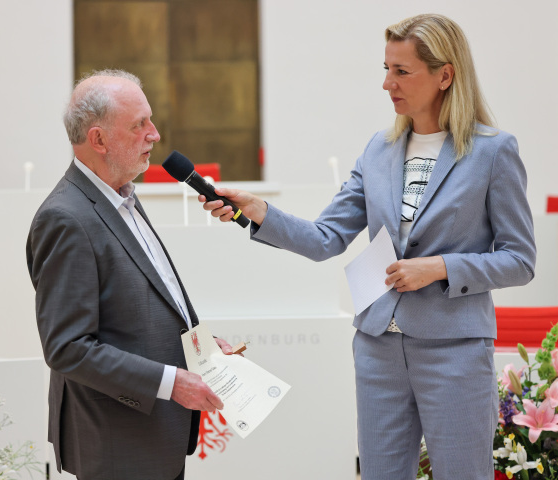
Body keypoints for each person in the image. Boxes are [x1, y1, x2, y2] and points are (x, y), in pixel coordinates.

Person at [200, 14, 535, 480]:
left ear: (445, 74)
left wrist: (439, 267)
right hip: (377, 347)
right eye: (385, 68)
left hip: (454, 350)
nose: (387, 84)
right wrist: (257, 211)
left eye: (401, 71)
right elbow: (324, 238)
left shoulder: (493, 152)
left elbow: (519, 260)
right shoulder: (378, 151)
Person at [26, 69, 236, 480]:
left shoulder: (119, 195)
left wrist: (201, 347)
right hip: (116, 443)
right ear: (99, 140)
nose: (154, 134)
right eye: (139, 124)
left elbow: (142, 303)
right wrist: (170, 382)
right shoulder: (65, 218)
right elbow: (68, 348)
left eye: (150, 120)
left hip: (154, 438)